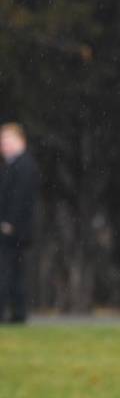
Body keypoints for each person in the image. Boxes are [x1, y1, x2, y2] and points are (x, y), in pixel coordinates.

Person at [0, 122, 38, 324]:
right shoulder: (13, 164)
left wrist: (8, 223)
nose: (3, 144)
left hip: (14, 230)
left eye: (7, 140)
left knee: (8, 272)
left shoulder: (24, 165)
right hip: (15, 229)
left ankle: (14, 312)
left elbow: (20, 198)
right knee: (14, 273)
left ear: (20, 140)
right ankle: (18, 313)